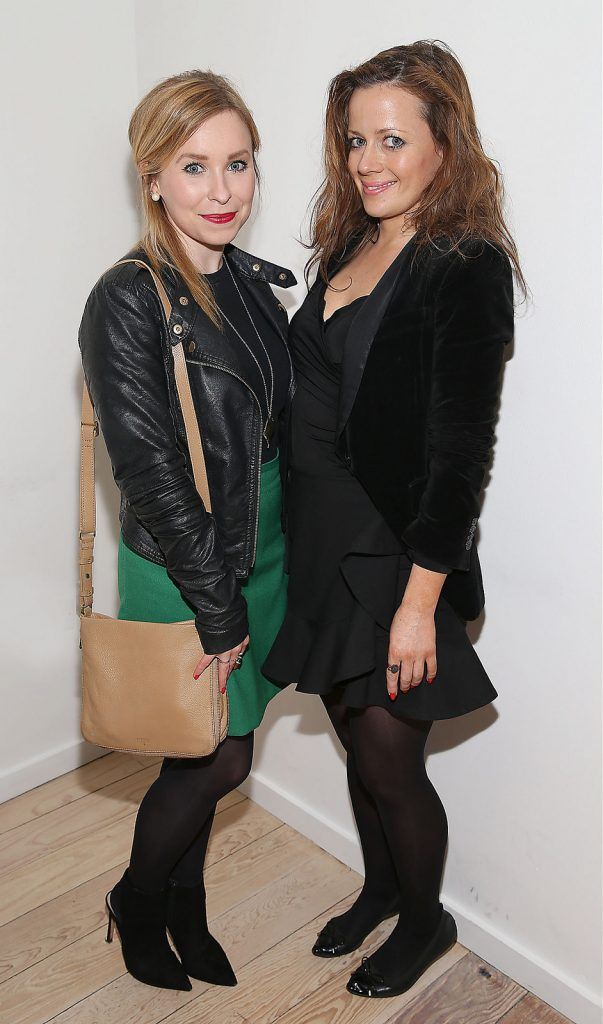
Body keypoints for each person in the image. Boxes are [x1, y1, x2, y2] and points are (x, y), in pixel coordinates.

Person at [264, 40, 522, 998]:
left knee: (387, 749)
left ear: (442, 148)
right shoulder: (349, 241)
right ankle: (379, 887)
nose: (367, 160)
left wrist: (420, 605)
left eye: (389, 139)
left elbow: (461, 458)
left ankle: (426, 919)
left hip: (395, 553)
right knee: (348, 734)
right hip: (321, 544)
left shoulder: (466, 266)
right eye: (353, 140)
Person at [79, 70, 295, 992]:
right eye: (194, 166)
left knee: (201, 748)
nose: (222, 191)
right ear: (152, 177)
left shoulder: (251, 285)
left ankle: (186, 899)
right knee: (216, 753)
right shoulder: (127, 299)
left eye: (237, 164)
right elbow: (154, 477)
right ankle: (138, 895)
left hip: (266, 546)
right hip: (189, 562)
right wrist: (216, 607)